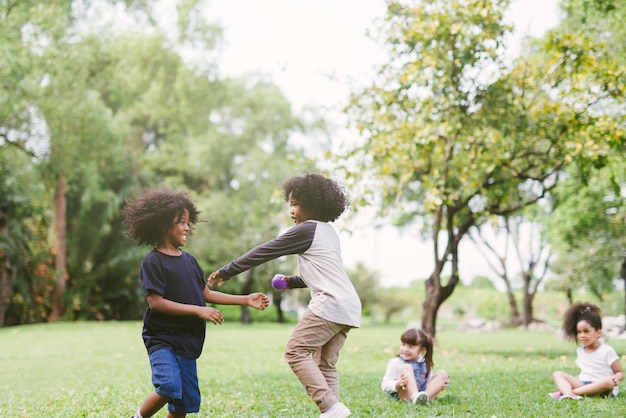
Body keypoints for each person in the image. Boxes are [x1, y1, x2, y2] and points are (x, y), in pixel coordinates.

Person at [208, 173, 361, 418]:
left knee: (295, 350)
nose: (291, 210)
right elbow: (327, 273)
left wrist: (229, 270)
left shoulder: (306, 230)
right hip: (349, 305)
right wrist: (292, 281)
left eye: (295, 204)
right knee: (325, 364)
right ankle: (334, 412)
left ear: (313, 205)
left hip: (330, 304)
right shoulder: (328, 232)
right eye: (290, 204)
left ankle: (330, 406)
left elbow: (266, 250)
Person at [121, 188, 270, 418]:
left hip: (188, 341)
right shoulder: (153, 261)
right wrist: (198, 311)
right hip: (162, 339)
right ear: (163, 225)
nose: (187, 228)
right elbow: (156, 303)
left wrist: (245, 300)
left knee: (183, 406)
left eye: (188, 222)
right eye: (181, 222)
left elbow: (206, 294)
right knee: (169, 387)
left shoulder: (189, 261)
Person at [550, 302, 624, 400]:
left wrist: (616, 378)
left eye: (586, 331)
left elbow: (620, 373)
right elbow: (586, 372)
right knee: (557, 374)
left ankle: (570, 393)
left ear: (598, 332)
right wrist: (574, 380)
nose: (582, 335)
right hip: (583, 383)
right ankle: (570, 394)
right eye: (579, 332)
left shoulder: (607, 350)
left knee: (608, 383)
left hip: (601, 386)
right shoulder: (580, 351)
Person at [381, 328, 449, 404]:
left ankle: (423, 399)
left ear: (422, 350)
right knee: (407, 367)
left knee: (442, 373)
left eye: (410, 346)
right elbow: (384, 385)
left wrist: (438, 386)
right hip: (403, 395)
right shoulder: (396, 362)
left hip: (423, 392)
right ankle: (416, 397)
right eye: (403, 345)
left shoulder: (425, 364)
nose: (405, 349)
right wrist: (398, 383)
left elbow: (429, 383)